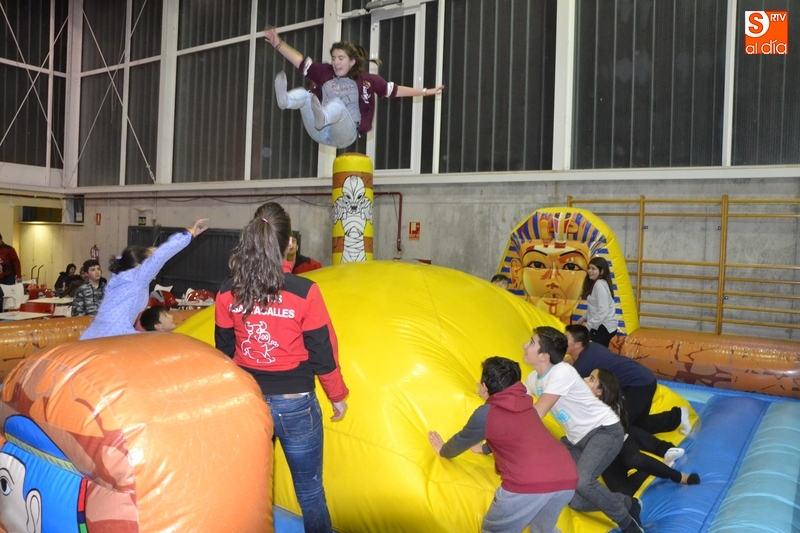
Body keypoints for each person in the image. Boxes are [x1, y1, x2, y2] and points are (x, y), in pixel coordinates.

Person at [215, 202, 348, 533]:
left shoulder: (227, 292)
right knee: (310, 493)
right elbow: (322, 350)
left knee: (250, 489)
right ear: (290, 243)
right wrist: (337, 395)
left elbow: (224, 352)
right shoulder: (305, 292)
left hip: (249, 401)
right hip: (295, 404)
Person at [428, 356, 577, 533]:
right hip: (567, 476)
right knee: (543, 530)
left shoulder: (486, 414)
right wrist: (483, 449)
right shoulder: (527, 406)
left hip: (529, 482)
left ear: (485, 386)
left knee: (493, 530)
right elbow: (511, 435)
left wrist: (442, 450)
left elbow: (461, 440)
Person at [523, 326, 643, 533]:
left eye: (531, 343)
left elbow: (536, 413)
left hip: (604, 431)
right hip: (576, 440)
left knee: (584, 482)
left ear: (544, 356)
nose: (525, 345)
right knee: (576, 500)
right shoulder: (533, 379)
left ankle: (627, 524)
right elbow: (517, 401)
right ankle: (627, 502)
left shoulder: (561, 372)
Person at [264, 26, 444, 149]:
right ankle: (286, 101)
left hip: (346, 133)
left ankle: (324, 116)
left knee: (338, 105)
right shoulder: (324, 72)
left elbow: (395, 90)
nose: (335, 62)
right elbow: (300, 61)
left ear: (352, 61)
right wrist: (278, 44)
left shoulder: (368, 80)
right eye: (333, 58)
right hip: (319, 131)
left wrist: (425, 91)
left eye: (340, 58)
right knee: (305, 95)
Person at [80, 219, 207, 340]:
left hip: (92, 335)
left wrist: (147, 252)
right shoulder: (137, 278)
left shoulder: (119, 277)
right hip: (113, 335)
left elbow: (128, 257)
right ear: (140, 266)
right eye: (148, 264)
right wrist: (189, 234)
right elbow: (161, 255)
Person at [586, 368, 701, 497]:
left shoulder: (611, 409)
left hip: (620, 444)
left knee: (634, 459)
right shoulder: (582, 402)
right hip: (606, 455)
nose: (584, 379)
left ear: (599, 391)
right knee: (623, 492)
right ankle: (653, 468)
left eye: (591, 379)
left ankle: (680, 477)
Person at [565, 324, 692, 436]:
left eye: (566, 339)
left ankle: (663, 446)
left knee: (620, 426)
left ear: (578, 344)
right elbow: (571, 361)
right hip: (643, 378)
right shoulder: (591, 347)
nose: (562, 342)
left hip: (638, 385)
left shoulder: (585, 364)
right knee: (638, 424)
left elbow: (569, 386)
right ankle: (678, 416)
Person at [577, 257, 618, 347]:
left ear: (602, 271)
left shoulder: (599, 285)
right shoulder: (599, 283)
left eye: (593, 269)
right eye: (589, 268)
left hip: (603, 327)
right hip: (603, 326)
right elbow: (595, 307)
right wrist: (584, 317)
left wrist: (588, 326)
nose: (589, 271)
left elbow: (603, 311)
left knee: (592, 351)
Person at [0, 232, 21, 312]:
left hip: (8, 277)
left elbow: (16, 263)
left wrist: (19, 276)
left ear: (1, 240)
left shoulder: (9, 249)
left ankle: (6, 312)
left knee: (7, 295)